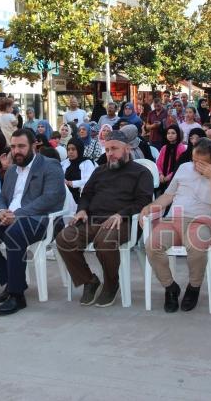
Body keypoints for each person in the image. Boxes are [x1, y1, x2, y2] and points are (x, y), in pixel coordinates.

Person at [0, 128, 65, 315]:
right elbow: (2, 197)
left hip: (40, 219)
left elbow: (51, 198)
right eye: (13, 147)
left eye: (21, 146)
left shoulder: (50, 165)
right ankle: (12, 281)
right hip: (10, 218)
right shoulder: (12, 169)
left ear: (34, 146)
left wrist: (18, 214)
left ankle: (17, 295)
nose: (16, 151)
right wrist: (2, 211)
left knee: (14, 234)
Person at [56, 130, 154, 307]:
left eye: (114, 149)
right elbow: (86, 194)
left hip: (123, 222)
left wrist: (121, 214)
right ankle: (89, 281)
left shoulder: (141, 173)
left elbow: (144, 201)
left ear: (127, 149)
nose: (110, 154)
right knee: (64, 238)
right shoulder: (100, 171)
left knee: (105, 240)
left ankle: (111, 284)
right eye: (107, 150)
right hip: (92, 219)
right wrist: (82, 210)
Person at [142, 139, 211, 312]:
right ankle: (170, 288)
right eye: (194, 160)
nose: (195, 165)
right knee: (152, 246)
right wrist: (149, 208)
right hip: (173, 219)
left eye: (202, 163)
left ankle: (194, 287)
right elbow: (168, 195)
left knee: (196, 246)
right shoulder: (184, 168)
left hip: (202, 221)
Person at [62, 138, 95, 204]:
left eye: (73, 149)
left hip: (81, 199)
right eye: (68, 149)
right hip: (65, 198)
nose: (70, 152)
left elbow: (90, 181)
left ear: (79, 149)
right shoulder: (64, 163)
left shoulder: (87, 163)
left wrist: (70, 183)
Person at [157, 125, 186, 195]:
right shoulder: (164, 148)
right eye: (168, 133)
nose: (170, 135)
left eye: (173, 133)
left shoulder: (181, 148)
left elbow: (180, 167)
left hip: (175, 178)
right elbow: (158, 163)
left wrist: (169, 177)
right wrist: (160, 174)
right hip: (162, 178)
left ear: (178, 135)